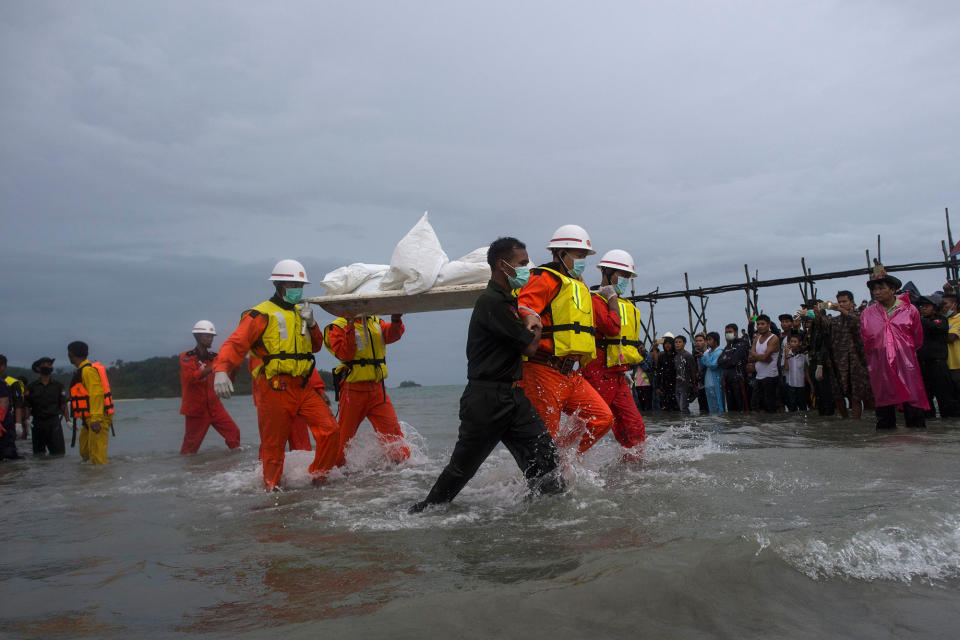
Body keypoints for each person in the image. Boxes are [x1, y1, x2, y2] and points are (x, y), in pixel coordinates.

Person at [410, 237, 565, 512]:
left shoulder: (508, 302)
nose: (527, 270)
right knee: (461, 469)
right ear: (502, 265)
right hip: (486, 400)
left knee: (546, 459)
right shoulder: (491, 303)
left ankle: (548, 520)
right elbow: (529, 348)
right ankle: (423, 513)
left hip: (514, 397)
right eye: (522, 264)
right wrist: (535, 322)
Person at [213, 259, 340, 490]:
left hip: (303, 387)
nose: (298, 290)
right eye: (294, 286)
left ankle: (317, 479)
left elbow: (316, 346)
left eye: (301, 286)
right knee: (274, 446)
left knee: (330, 431)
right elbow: (236, 343)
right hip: (274, 387)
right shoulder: (260, 313)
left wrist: (312, 325)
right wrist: (221, 369)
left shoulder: (303, 311)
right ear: (279, 284)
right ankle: (271, 490)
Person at [516, 225, 614, 453]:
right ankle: (543, 476)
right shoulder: (544, 278)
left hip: (570, 374)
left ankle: (564, 460)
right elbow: (524, 306)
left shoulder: (576, 286)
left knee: (602, 418)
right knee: (543, 438)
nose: (583, 261)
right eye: (579, 255)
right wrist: (529, 317)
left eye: (584, 256)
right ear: (560, 253)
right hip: (542, 370)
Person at [323, 311, 411, 467]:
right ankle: (331, 472)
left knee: (393, 433)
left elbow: (392, 335)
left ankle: (403, 469)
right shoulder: (335, 327)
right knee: (344, 437)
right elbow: (345, 354)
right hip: (353, 389)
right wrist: (350, 324)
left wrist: (396, 319)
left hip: (377, 389)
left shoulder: (376, 321)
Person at [583, 249, 646, 454]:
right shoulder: (595, 300)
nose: (625, 280)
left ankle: (632, 469)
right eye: (622, 274)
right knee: (590, 424)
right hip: (598, 373)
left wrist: (625, 368)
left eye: (628, 276)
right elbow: (612, 328)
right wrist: (610, 299)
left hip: (618, 373)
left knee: (635, 425)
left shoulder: (621, 304)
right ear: (607, 271)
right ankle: (563, 460)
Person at [860, 266, 929, 429]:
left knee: (913, 405)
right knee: (884, 411)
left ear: (893, 290)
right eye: (874, 289)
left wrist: (905, 353)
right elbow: (866, 340)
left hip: (907, 364)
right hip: (880, 365)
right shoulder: (867, 314)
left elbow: (918, 338)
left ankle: (919, 446)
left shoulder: (910, 310)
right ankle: (887, 448)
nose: (877, 292)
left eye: (881, 288)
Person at [179, 321, 241, 455]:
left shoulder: (214, 357)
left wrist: (234, 368)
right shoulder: (187, 357)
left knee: (233, 433)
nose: (211, 339)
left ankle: (236, 464)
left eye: (212, 336)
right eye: (207, 336)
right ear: (198, 337)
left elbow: (229, 380)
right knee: (190, 447)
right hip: (196, 409)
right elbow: (191, 377)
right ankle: (188, 471)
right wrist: (214, 365)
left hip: (215, 406)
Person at [814, 291, 874, 419]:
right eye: (839, 302)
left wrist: (842, 310)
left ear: (852, 302)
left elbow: (859, 324)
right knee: (838, 394)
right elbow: (823, 330)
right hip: (837, 361)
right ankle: (845, 420)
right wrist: (818, 315)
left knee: (856, 395)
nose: (841, 304)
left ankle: (856, 421)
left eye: (844, 301)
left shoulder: (861, 315)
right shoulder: (835, 321)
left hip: (856, 361)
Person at [67, 341, 114, 465]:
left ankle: (102, 479)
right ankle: (91, 481)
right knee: (85, 452)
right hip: (87, 419)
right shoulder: (82, 370)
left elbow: (96, 393)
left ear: (70, 355)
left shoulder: (88, 371)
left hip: (97, 418)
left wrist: (96, 418)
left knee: (97, 457)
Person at [915, 294, 957, 418]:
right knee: (926, 399)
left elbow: (938, 328)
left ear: (934, 307)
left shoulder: (941, 320)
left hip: (938, 365)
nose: (923, 308)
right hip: (923, 366)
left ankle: (948, 427)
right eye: (922, 306)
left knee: (945, 399)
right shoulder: (919, 322)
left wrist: (922, 321)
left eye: (927, 306)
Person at [24, 357, 68, 456]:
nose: (49, 367)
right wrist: (26, 420)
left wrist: (68, 420)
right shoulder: (31, 387)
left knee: (59, 454)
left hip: (54, 423)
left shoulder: (58, 386)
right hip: (37, 422)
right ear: (38, 368)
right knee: (38, 455)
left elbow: (63, 404)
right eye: (46, 365)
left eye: (50, 365)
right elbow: (26, 405)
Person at [748, 315, 780, 412]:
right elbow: (750, 357)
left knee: (770, 406)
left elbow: (765, 357)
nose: (760, 326)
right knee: (755, 405)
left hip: (770, 377)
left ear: (768, 325)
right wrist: (762, 357)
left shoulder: (773, 338)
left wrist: (757, 356)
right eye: (758, 324)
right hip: (758, 377)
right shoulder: (757, 338)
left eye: (762, 324)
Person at [718, 324, 750, 411]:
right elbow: (720, 362)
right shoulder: (728, 346)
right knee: (731, 409)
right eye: (726, 332)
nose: (728, 334)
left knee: (742, 407)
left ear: (735, 332)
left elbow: (734, 361)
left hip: (740, 380)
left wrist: (727, 360)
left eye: (730, 332)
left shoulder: (742, 344)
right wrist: (728, 360)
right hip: (728, 381)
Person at [782, 335, 811, 411]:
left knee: (803, 406)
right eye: (791, 342)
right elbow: (786, 368)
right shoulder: (787, 353)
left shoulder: (803, 355)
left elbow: (807, 370)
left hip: (801, 385)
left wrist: (811, 384)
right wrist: (786, 354)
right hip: (790, 385)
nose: (793, 344)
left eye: (795, 342)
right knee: (792, 407)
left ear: (800, 343)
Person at [1, 355, 26, 440]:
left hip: (8, 419)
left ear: (3, 366)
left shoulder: (13, 383)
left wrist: (18, 423)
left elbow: (18, 404)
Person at [700, 332, 725, 413]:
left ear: (716, 341)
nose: (708, 342)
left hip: (716, 383)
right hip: (708, 384)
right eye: (707, 340)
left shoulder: (719, 352)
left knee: (718, 404)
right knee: (711, 407)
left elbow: (713, 365)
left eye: (710, 339)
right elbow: (703, 363)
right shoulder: (708, 353)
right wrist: (702, 358)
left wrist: (703, 358)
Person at [673, 335, 698, 415]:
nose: (677, 344)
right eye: (676, 342)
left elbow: (693, 370)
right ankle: (685, 422)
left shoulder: (688, 356)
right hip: (678, 384)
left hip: (686, 385)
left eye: (680, 342)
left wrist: (694, 384)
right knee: (680, 407)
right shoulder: (676, 356)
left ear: (684, 344)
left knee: (683, 407)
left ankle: (687, 422)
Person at [942, 289, 960, 399]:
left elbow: (951, 337)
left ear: (955, 304)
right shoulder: (943, 320)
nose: (943, 307)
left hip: (958, 365)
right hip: (946, 366)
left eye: (945, 304)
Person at [655, 334, 678, 411]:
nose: (667, 345)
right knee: (665, 406)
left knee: (676, 405)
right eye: (665, 344)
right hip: (665, 383)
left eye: (669, 343)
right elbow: (658, 371)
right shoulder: (661, 356)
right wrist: (657, 386)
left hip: (676, 383)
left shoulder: (677, 355)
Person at [633, 343, 654, 412]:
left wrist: (640, 359)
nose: (640, 350)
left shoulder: (648, 356)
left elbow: (647, 368)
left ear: (644, 347)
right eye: (638, 349)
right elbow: (630, 367)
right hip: (637, 385)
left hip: (647, 385)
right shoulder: (635, 356)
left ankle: (649, 421)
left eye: (642, 348)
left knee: (648, 407)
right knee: (639, 407)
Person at [693, 333, 710, 415]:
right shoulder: (695, 355)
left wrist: (702, 357)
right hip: (700, 385)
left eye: (700, 341)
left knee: (709, 408)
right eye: (696, 341)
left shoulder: (709, 353)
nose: (698, 343)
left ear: (705, 342)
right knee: (702, 410)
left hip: (709, 385)